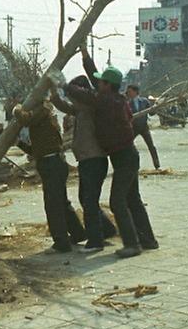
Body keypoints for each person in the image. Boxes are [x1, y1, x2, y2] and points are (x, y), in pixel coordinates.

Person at [60, 44, 158, 258]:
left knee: (117, 201)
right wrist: (85, 54)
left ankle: (132, 244)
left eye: (101, 82)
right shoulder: (113, 97)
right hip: (126, 156)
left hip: (124, 157)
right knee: (132, 199)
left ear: (107, 85)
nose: (98, 84)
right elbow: (94, 80)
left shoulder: (106, 101)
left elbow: (85, 94)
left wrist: (64, 85)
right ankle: (148, 240)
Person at [51, 77, 118, 253]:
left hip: (93, 160)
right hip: (88, 160)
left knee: (89, 200)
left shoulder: (91, 107)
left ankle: (95, 241)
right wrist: (54, 93)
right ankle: (107, 230)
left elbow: (75, 102)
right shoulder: (82, 109)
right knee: (87, 198)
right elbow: (66, 107)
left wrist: (65, 87)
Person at [13, 100, 86, 253]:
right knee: (61, 202)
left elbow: (25, 118)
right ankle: (78, 233)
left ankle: (61, 243)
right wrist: (19, 143)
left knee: (53, 204)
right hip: (52, 162)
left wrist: (16, 110)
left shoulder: (43, 109)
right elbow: (36, 151)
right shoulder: (41, 120)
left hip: (52, 163)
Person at [125, 84, 160, 169]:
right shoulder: (127, 103)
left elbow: (151, 113)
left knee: (151, 146)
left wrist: (155, 107)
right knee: (128, 145)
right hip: (133, 128)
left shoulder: (144, 101)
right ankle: (130, 165)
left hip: (144, 127)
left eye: (130, 91)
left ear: (135, 92)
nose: (128, 93)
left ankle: (157, 165)